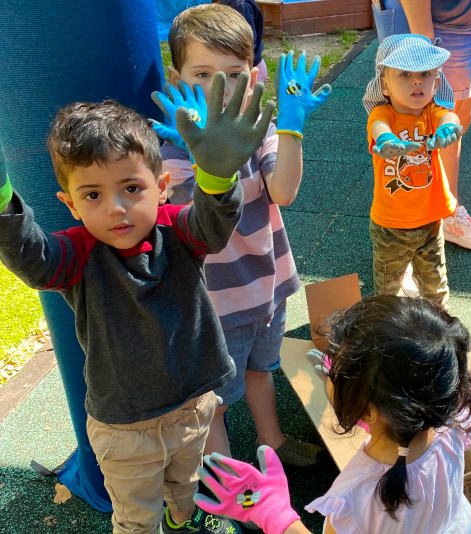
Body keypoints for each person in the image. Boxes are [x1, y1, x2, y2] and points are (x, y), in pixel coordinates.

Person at [0, 73, 270, 534]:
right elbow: (33, 259)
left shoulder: (178, 232)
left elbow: (212, 224)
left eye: (131, 188)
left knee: (185, 491)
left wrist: (217, 178)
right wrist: (3, 202)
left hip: (191, 404)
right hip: (125, 428)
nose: (117, 209)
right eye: (93, 195)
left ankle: (182, 518)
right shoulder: (77, 253)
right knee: (136, 521)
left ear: (161, 186)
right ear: (70, 205)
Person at [159, 3, 330, 465]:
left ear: (254, 76)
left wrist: (291, 128)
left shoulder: (261, 132)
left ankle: (272, 443)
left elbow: (285, 190)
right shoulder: (174, 147)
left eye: (234, 74)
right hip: (219, 303)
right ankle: (232, 482)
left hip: (269, 287)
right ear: (177, 77)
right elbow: (193, 220)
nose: (220, 88)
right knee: (217, 400)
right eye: (202, 74)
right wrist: (208, 156)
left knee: (262, 370)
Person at [190, 295, 471, 534]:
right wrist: (357, 392)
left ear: (372, 411)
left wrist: (272, 511)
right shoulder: (452, 417)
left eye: (340, 367)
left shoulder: (357, 496)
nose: (332, 367)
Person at [374, 0, 471, 250]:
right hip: (432, 24)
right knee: (413, 130)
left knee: (457, 121)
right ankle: (406, 234)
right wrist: (423, 43)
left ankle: (446, 212)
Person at [362, 33, 463, 310]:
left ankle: (440, 330)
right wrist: (385, 141)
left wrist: (449, 128)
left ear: (437, 82)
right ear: (384, 84)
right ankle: (387, 331)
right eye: (404, 74)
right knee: (387, 290)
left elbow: (449, 116)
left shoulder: (432, 112)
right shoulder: (383, 116)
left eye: (425, 74)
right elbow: (378, 129)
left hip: (430, 222)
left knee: (436, 288)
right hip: (390, 225)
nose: (417, 81)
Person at [214, 0, 270, 84]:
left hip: (250, 66)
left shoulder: (242, 6)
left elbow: (248, 40)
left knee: (245, 96)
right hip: (240, 65)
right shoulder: (226, 3)